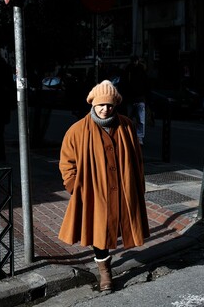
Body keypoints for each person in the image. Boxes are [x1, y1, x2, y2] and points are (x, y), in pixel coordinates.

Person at [57, 80, 150, 293]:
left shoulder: (127, 125)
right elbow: (66, 162)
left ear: (115, 104)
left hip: (123, 188)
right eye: (101, 104)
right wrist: (74, 186)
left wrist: (138, 184)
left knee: (119, 227)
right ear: (93, 104)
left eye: (109, 104)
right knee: (99, 230)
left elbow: (137, 159)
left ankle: (108, 262)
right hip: (94, 191)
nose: (105, 108)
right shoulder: (78, 130)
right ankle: (105, 271)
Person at [119, 55, 149, 145]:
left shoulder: (130, 70)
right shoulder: (131, 70)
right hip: (134, 98)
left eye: (135, 60)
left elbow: (146, 85)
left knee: (137, 119)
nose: (134, 62)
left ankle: (137, 137)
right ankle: (135, 136)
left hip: (136, 98)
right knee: (136, 119)